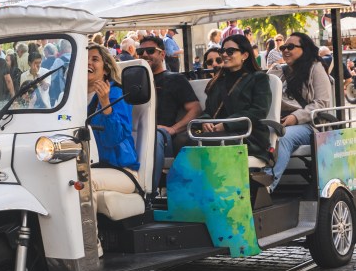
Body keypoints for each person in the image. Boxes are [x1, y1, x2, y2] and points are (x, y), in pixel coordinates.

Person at [264, 32, 332, 190]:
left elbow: (322, 103)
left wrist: (295, 118)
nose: (285, 50)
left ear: (305, 49)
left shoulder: (316, 67)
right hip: (280, 121)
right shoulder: (279, 71)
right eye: (283, 47)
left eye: (290, 47)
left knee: (284, 137)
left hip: (312, 124)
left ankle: (267, 186)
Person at [136, 35, 202, 190]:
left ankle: (147, 193)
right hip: (137, 133)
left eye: (151, 51)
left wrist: (173, 129)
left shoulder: (175, 79)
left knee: (154, 135)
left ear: (162, 54)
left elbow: (196, 109)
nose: (145, 55)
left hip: (162, 137)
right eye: (140, 52)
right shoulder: (134, 82)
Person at [199, 34, 272, 163]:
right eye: (222, 51)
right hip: (217, 134)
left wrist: (227, 125)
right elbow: (208, 111)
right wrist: (206, 122)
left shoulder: (258, 78)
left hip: (248, 135)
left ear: (245, 55)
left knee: (207, 143)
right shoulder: (217, 81)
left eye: (230, 51)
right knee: (183, 141)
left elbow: (259, 111)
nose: (225, 55)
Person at [86, 43, 141, 216]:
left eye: (94, 59)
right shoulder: (69, 98)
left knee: (82, 182)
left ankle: (90, 244)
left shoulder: (117, 94)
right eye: (83, 60)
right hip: (87, 167)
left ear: (106, 69)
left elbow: (114, 138)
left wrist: (105, 104)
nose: (88, 63)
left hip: (121, 170)